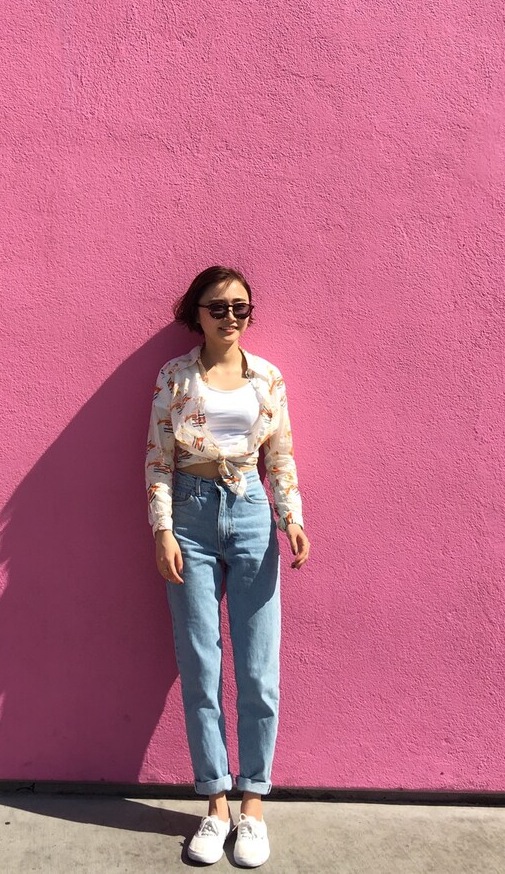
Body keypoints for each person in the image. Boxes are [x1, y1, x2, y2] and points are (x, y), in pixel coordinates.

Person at [146, 266, 311, 867]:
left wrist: (291, 517)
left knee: (259, 670)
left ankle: (253, 805)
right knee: (200, 665)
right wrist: (162, 529)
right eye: (218, 308)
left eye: (240, 307)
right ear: (197, 313)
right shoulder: (175, 375)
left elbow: (280, 455)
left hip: (250, 514)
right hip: (190, 519)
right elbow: (158, 458)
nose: (231, 317)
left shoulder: (268, 377)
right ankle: (215, 804)